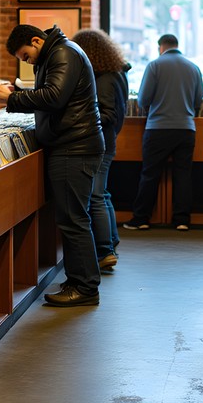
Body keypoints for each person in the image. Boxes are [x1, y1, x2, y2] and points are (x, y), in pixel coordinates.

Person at [0, 24, 104, 307]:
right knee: (71, 218)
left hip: (74, 147)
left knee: (74, 219)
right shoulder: (57, 53)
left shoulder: (62, 53)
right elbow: (53, 93)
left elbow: (54, 97)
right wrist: (18, 90)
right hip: (72, 145)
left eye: (26, 56)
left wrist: (12, 98)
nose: (28, 62)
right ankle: (78, 280)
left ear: (36, 41)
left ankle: (86, 287)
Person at [122, 33, 203, 231]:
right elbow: (199, 98)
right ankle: (182, 220)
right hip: (186, 128)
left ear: (161, 47)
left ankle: (141, 218)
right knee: (183, 175)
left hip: (158, 128)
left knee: (150, 174)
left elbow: (143, 99)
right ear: (177, 45)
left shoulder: (154, 65)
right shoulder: (193, 67)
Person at [72, 28, 130, 273]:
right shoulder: (115, 72)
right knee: (102, 194)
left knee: (95, 196)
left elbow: (107, 114)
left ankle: (105, 251)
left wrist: (79, 117)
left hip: (101, 142)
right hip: (107, 141)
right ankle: (111, 243)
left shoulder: (105, 78)